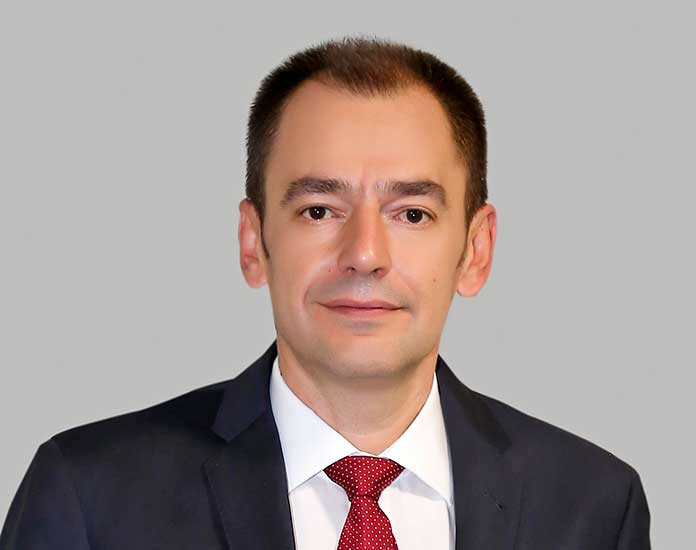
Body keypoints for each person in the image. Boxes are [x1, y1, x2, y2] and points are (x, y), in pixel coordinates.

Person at [0, 35, 651, 550]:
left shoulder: (594, 505)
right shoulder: (89, 496)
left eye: (412, 214)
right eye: (318, 210)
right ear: (253, 243)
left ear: (475, 251)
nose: (365, 253)